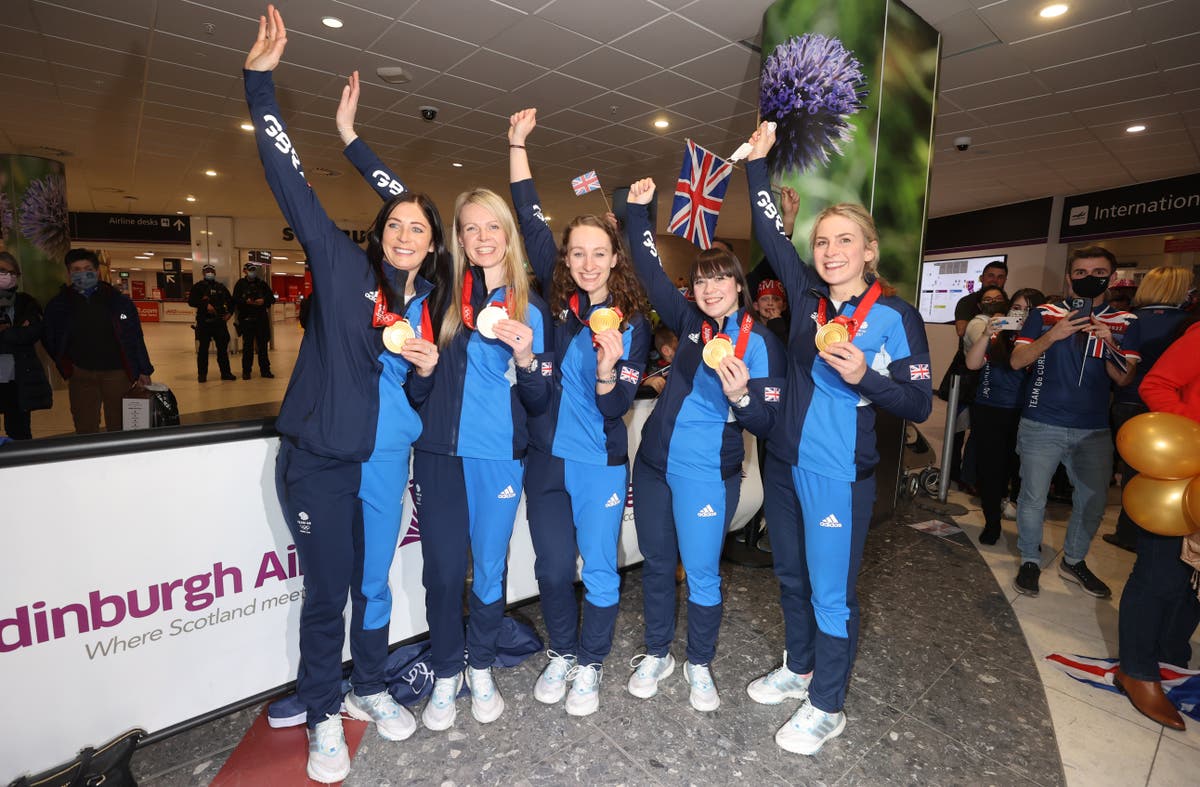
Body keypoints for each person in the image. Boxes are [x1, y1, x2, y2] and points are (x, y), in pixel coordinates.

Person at [244, 8, 450, 781]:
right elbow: (290, 184)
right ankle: (325, 716)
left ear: (431, 245)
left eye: (419, 229)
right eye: (395, 224)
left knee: (373, 584)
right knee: (328, 591)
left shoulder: (428, 299)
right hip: (324, 459)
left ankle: (366, 685)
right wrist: (261, 88)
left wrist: (427, 367)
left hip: (383, 457)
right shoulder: (339, 269)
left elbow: (421, 392)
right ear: (379, 231)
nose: (406, 233)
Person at [338, 74, 552, 732]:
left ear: (507, 236)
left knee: (490, 567)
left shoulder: (528, 306)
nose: (483, 236)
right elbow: (399, 205)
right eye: (470, 228)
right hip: (437, 454)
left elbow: (541, 398)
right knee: (440, 571)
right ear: (455, 239)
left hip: (497, 456)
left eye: (494, 227)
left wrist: (523, 357)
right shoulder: (442, 291)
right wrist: (351, 140)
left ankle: (482, 666)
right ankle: (450, 670)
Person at [744, 122, 932, 754]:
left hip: (839, 474)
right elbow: (771, 233)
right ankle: (801, 671)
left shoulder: (895, 317)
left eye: (844, 240)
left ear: (869, 250)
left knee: (831, 594)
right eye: (822, 241)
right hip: (785, 465)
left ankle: (829, 705)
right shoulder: (809, 302)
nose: (829, 251)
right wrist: (757, 168)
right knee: (791, 579)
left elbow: (918, 399)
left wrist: (868, 379)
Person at [623, 177, 787, 713]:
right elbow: (648, 271)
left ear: (739, 286)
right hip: (653, 464)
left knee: (702, 574)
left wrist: (740, 397)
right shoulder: (690, 323)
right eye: (700, 281)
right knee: (655, 562)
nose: (709, 289)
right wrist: (638, 213)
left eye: (720, 279)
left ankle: (698, 663)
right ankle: (657, 654)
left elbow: (767, 423)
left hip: (707, 473)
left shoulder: (760, 343)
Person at [508, 108, 651, 716]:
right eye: (577, 254)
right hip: (547, 459)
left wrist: (605, 367)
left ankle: (591, 664)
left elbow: (618, 404)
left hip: (600, 461)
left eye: (600, 254)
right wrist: (516, 144)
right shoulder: (559, 301)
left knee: (599, 568)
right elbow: (528, 217)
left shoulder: (634, 325)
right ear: (565, 259)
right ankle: (562, 652)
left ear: (616, 259)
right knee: (548, 566)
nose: (588, 263)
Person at [1009, 246, 1140, 599]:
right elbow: (1018, 361)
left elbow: (1123, 379)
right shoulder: (1044, 314)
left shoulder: (1127, 322)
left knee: (1093, 501)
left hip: (1094, 429)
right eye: (1080, 273)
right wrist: (1054, 335)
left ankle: (1075, 560)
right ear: (1069, 278)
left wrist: (1110, 342)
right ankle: (1030, 560)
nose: (1087, 278)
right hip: (1041, 422)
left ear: (1112, 278)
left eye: (1097, 272)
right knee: (1033, 498)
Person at [1115, 315, 1200, 731]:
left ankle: (1170, 653)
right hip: (1179, 477)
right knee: (1160, 575)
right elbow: (1155, 385)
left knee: (1194, 582)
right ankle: (1137, 670)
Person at [1102, 267, 1194, 551]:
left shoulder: (1132, 320)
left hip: (1128, 400)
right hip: (1171, 410)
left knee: (1134, 473)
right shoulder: (1187, 323)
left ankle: (1129, 533)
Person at [964, 287, 1047, 544]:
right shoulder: (998, 336)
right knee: (991, 471)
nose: (1022, 314)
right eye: (1017, 308)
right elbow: (972, 363)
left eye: (1029, 310)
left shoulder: (1044, 337)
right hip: (989, 410)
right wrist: (987, 334)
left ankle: (1025, 528)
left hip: (1028, 414)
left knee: (1023, 473)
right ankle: (992, 523)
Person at [43, 248, 153, 434]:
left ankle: (117, 458)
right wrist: (67, 366)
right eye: (76, 269)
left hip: (117, 373)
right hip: (81, 374)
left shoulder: (117, 301)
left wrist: (143, 369)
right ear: (69, 273)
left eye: (87, 268)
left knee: (118, 424)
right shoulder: (59, 305)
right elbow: (50, 338)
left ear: (96, 271)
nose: (82, 273)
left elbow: (134, 336)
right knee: (85, 425)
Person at [0, 252, 52, 439]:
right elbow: (21, 333)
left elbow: (32, 333)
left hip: (18, 378)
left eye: (11, 272)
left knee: (19, 431)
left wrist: (5, 331)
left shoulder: (26, 302)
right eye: (2, 271)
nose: (6, 276)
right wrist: (14, 330)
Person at [187, 263, 236, 382]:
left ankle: (226, 373)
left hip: (219, 322)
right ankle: (202, 375)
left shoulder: (221, 287)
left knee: (223, 350)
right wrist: (205, 305)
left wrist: (229, 314)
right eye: (207, 271)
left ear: (215, 273)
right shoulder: (198, 287)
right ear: (203, 273)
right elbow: (191, 301)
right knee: (203, 350)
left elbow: (231, 302)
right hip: (204, 323)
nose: (209, 273)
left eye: (211, 271)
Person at [233, 261, 275, 379]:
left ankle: (265, 370)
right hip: (247, 319)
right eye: (250, 270)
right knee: (248, 347)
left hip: (261, 319)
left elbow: (271, 298)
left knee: (262, 346)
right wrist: (245, 301)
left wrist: (263, 301)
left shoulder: (262, 284)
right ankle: (246, 371)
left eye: (254, 270)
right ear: (244, 271)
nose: (252, 272)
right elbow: (235, 299)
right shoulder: (240, 284)